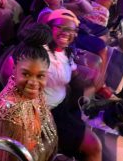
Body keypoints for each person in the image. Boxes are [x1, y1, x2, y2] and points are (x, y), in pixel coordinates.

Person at [0, 23, 58, 161]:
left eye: (40, 76)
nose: (33, 82)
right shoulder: (10, 113)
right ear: (14, 69)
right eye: (26, 74)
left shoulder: (34, 93)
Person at [38, 9, 102, 161]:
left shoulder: (64, 51)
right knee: (94, 146)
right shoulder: (40, 54)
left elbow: (75, 77)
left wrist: (95, 83)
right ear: (49, 27)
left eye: (71, 30)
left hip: (62, 107)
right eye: (60, 27)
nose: (66, 33)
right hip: (47, 116)